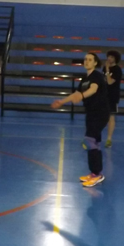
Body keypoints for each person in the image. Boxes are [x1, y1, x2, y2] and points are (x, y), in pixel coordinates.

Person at [51, 53, 110, 187]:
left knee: (89, 140)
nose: (86, 61)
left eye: (90, 60)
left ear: (95, 63)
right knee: (95, 141)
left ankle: (97, 174)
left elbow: (93, 89)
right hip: (91, 113)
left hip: (100, 112)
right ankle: (94, 173)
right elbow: (76, 94)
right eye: (85, 59)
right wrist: (61, 101)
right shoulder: (84, 79)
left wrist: (82, 96)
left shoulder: (97, 76)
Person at [103, 50, 123, 147]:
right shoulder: (104, 68)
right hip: (103, 95)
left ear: (115, 59)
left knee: (111, 116)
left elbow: (110, 82)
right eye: (109, 56)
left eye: (112, 57)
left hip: (112, 96)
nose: (109, 59)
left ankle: (109, 139)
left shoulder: (117, 70)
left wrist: (107, 70)